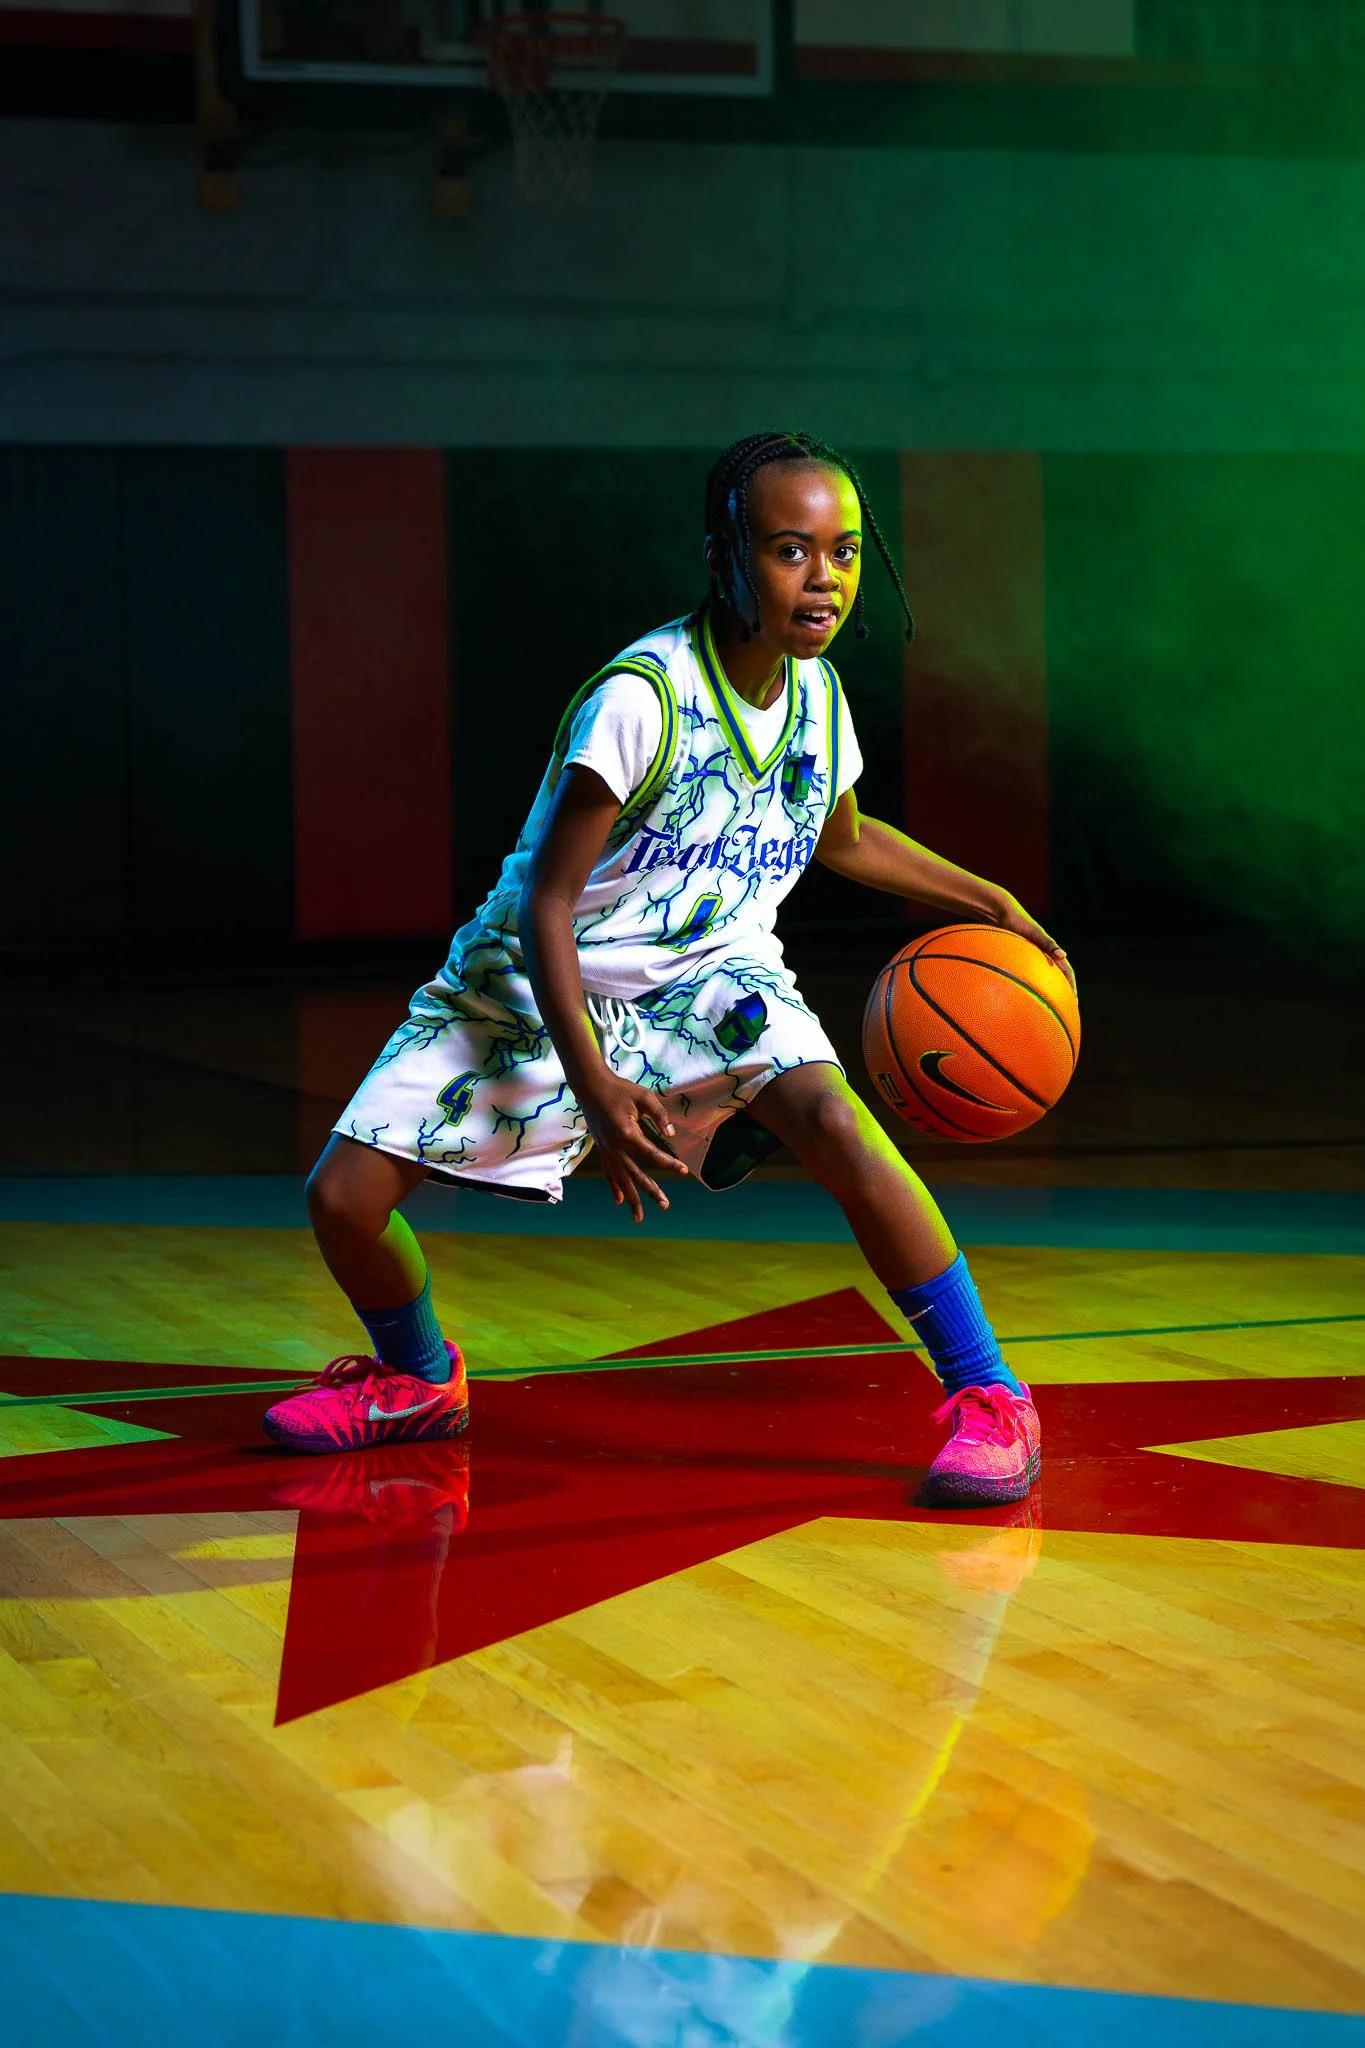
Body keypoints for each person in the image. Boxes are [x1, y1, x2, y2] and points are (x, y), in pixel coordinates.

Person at [263, 430, 1072, 1505]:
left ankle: (988, 1393)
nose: (822, 578)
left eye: (845, 551)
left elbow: (841, 835)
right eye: (791, 550)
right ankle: (419, 1379)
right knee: (342, 1199)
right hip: (546, 969)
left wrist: (985, 896)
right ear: (723, 556)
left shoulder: (818, 696)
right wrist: (596, 1084)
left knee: (834, 1118)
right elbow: (550, 900)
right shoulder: (641, 695)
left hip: (712, 974)